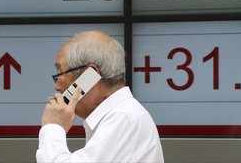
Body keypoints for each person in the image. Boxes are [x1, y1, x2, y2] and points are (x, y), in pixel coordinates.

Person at [36, 30, 164, 162]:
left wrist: (54, 127)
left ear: (89, 75)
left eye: (60, 73)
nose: (57, 87)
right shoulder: (120, 115)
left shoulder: (122, 117)